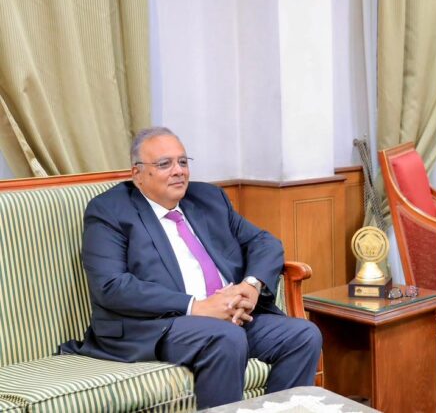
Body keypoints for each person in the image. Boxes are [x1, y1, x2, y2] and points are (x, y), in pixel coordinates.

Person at [60, 127, 322, 408]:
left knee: (303, 335)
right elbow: (111, 286)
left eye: (183, 162)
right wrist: (195, 306)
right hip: (156, 325)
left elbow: (264, 242)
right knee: (226, 337)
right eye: (165, 164)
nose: (179, 171)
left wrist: (251, 286)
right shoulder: (110, 210)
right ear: (137, 174)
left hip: (230, 316)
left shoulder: (208, 198)